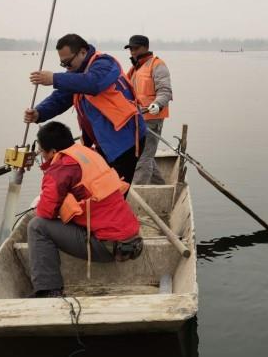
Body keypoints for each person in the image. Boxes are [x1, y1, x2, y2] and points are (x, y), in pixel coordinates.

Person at [27, 121, 143, 298]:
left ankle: (49, 291)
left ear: (52, 152)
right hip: (132, 239)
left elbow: (44, 212)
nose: (42, 156)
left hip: (109, 245)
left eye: (42, 152)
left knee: (36, 226)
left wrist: (42, 201)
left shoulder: (61, 168)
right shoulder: (88, 153)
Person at [25, 33, 147, 185]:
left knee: (115, 189)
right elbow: (61, 97)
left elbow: (94, 83)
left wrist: (54, 79)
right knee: (99, 185)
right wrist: (39, 113)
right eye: (63, 65)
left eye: (68, 63)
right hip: (103, 141)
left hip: (125, 140)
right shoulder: (76, 74)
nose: (67, 68)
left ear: (83, 52)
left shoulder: (105, 64)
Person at [125, 35, 173, 185]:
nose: (133, 52)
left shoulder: (157, 65)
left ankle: (138, 193)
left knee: (143, 157)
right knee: (147, 155)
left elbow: (165, 91)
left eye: (136, 48)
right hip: (137, 119)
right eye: (131, 48)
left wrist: (157, 104)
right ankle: (161, 186)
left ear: (145, 47)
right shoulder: (134, 69)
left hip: (152, 120)